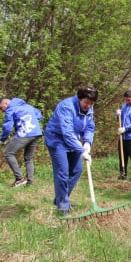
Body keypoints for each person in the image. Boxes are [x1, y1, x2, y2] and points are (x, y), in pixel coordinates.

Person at [44, 86, 98, 216]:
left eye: (91, 103)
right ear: (79, 99)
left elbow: (90, 127)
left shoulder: (89, 109)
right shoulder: (66, 107)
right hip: (57, 140)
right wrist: (81, 150)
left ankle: (61, 198)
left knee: (76, 171)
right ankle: (62, 206)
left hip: (73, 140)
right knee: (62, 172)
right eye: (86, 102)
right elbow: (67, 133)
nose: (88, 106)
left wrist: (87, 142)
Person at [0, 97, 43, 187]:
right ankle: (30, 183)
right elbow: (39, 115)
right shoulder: (27, 106)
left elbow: (7, 127)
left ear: (6, 104)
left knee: (8, 153)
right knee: (28, 158)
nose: (2, 111)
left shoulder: (10, 109)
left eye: (1, 108)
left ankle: (19, 179)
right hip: (36, 133)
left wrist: (2, 139)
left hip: (25, 133)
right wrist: (32, 124)